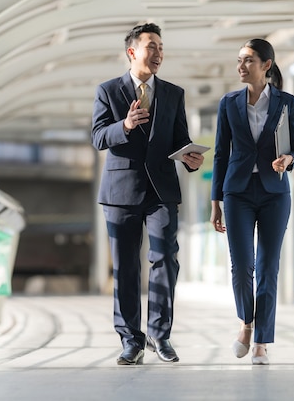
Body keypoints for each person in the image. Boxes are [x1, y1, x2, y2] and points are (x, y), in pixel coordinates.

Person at [92, 23, 204, 365]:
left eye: (160, 48)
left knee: (165, 258)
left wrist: (190, 158)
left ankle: (160, 334)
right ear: (132, 52)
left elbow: (179, 139)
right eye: (151, 47)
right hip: (120, 191)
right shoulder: (108, 90)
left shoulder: (173, 93)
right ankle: (130, 339)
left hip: (162, 192)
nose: (158, 54)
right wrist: (124, 126)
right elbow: (98, 137)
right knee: (126, 267)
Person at [210, 38, 294, 365]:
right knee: (242, 267)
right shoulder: (228, 102)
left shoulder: (286, 102)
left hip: (274, 193)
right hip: (237, 192)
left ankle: (262, 341)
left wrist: (288, 160)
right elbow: (221, 153)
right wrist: (215, 200)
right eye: (240, 60)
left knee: (267, 267)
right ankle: (246, 323)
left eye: (248, 60)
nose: (241, 66)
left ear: (266, 65)